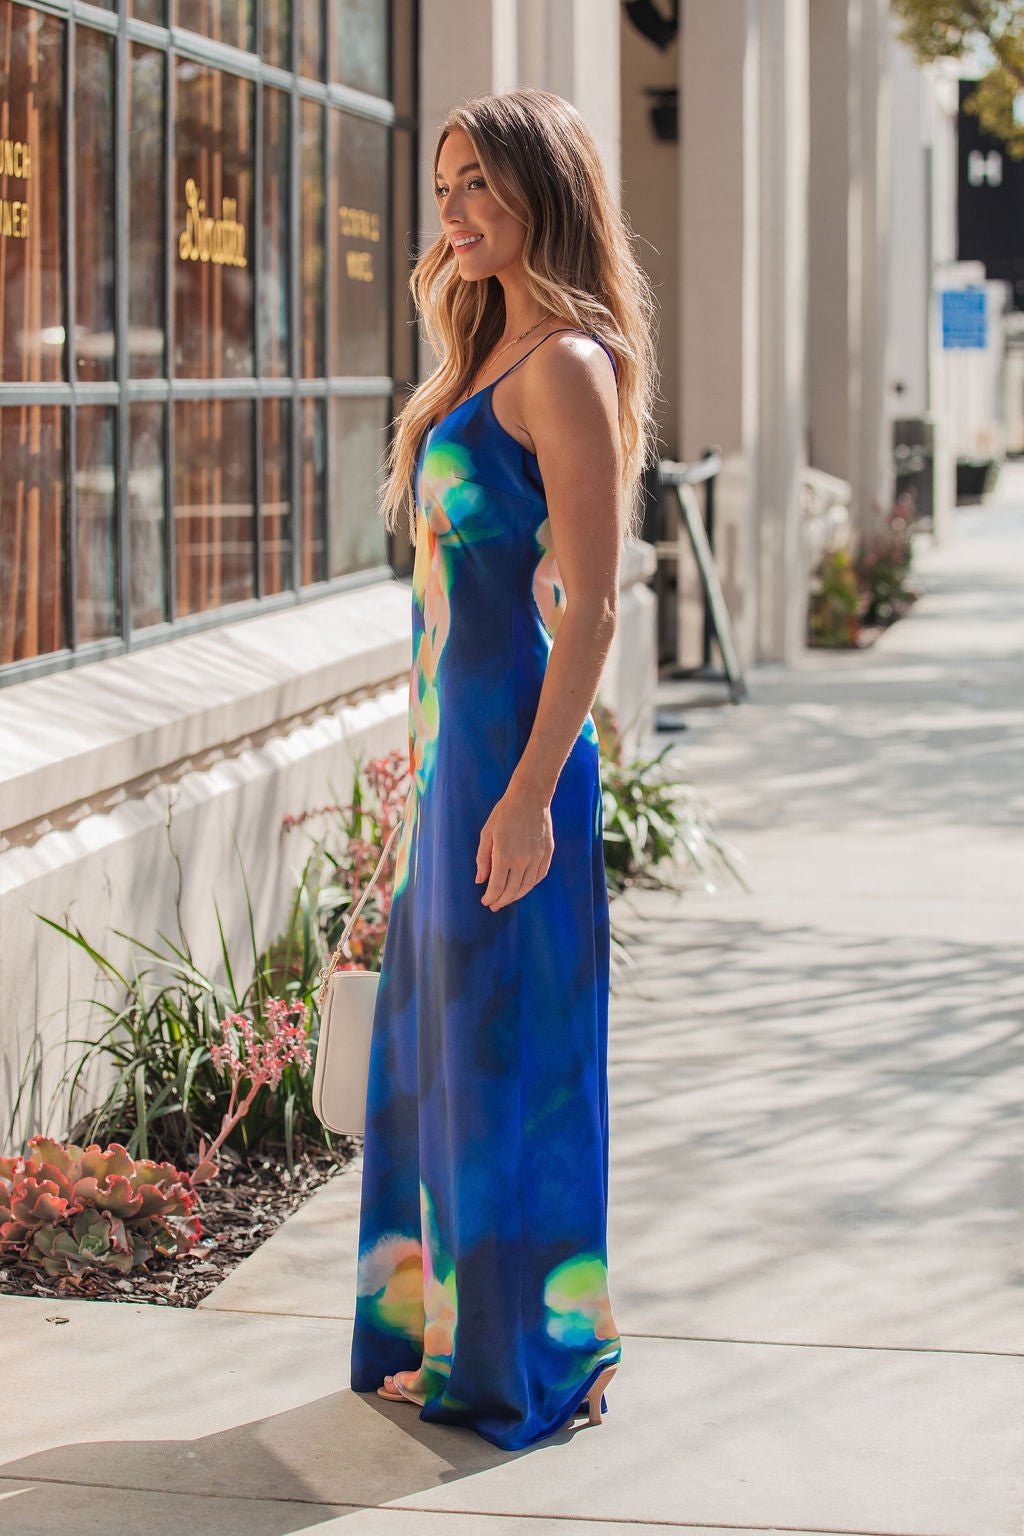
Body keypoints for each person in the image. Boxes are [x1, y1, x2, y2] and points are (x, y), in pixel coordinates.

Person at [349, 85, 659, 1451]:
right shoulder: (484, 354)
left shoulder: (567, 365)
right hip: (456, 759)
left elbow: (592, 607)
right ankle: (451, 1338)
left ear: (545, 190)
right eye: (444, 187)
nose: (456, 210)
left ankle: (531, 1356)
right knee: (439, 1058)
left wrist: (530, 793)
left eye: (480, 182)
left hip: (517, 763)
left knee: (510, 1059)